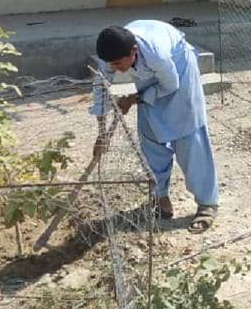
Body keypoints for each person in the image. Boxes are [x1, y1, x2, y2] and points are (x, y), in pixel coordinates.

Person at [91, 20, 219, 232]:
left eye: (118, 64)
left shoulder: (156, 53)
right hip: (149, 75)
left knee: (188, 137)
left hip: (179, 72)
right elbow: (100, 92)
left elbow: (171, 85)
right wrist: (102, 134)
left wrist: (134, 98)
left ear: (133, 51)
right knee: (150, 136)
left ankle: (207, 204)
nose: (115, 70)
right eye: (111, 65)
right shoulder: (112, 55)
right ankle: (160, 200)